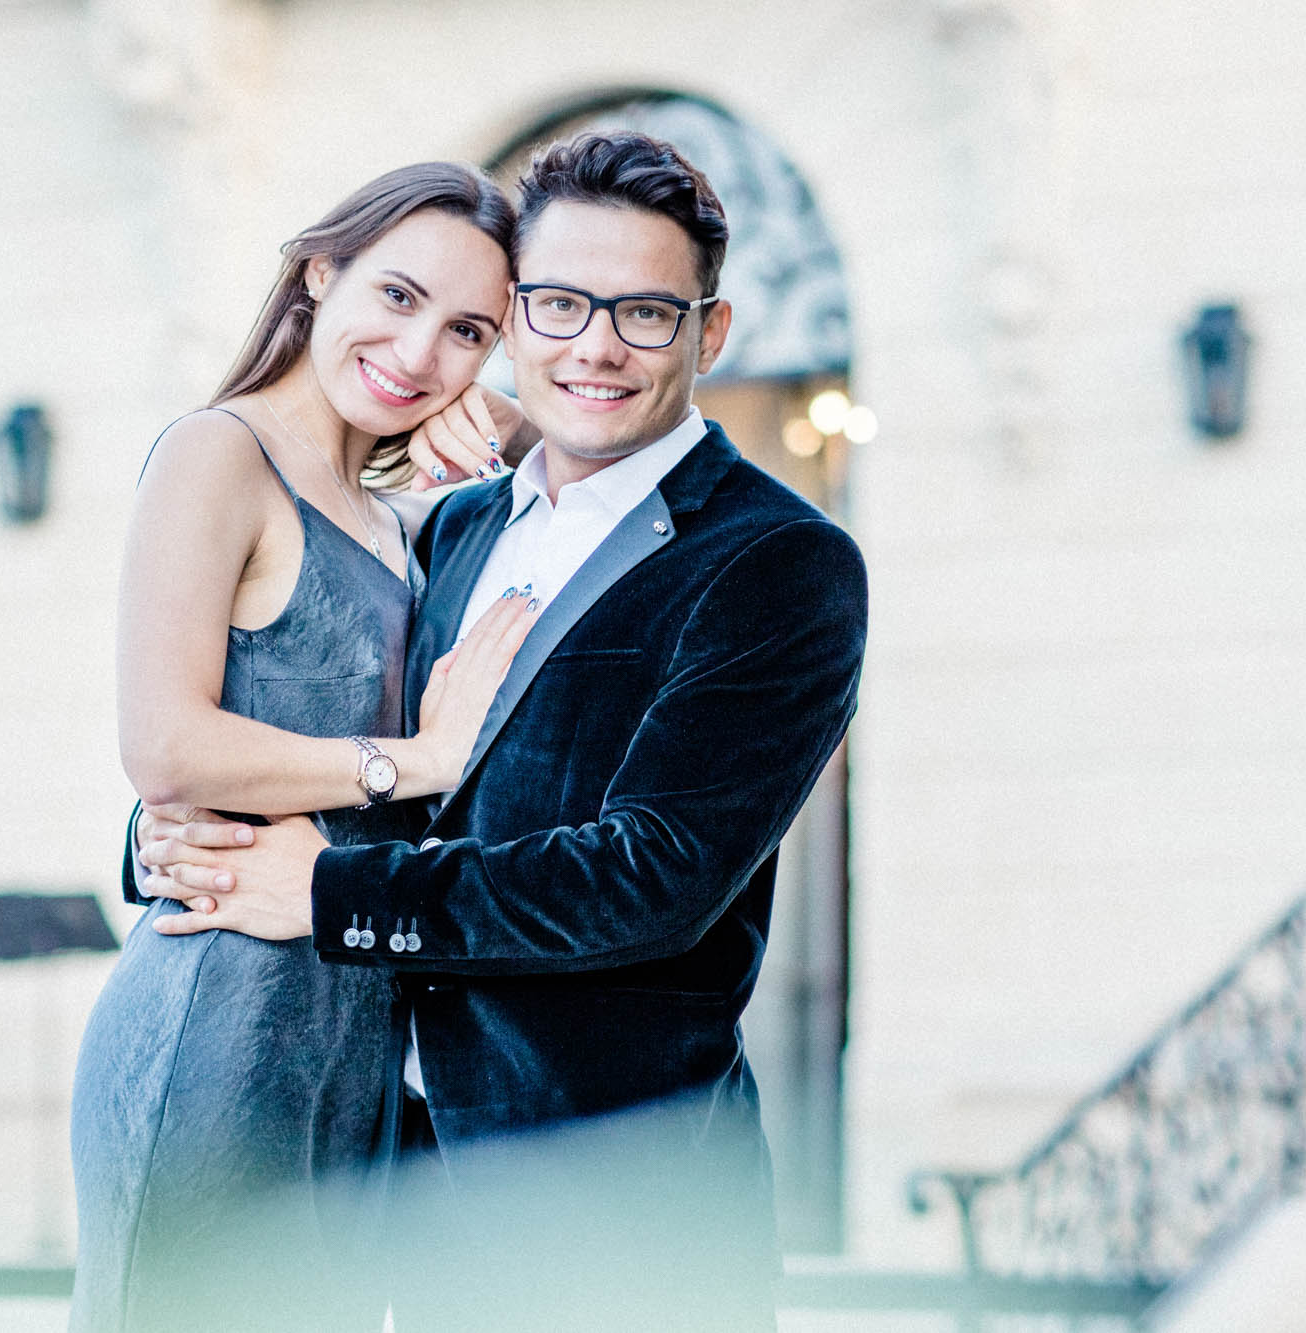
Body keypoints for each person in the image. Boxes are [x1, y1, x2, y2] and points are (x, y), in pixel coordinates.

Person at [137, 131, 869, 1332]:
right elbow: (343, 754)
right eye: (560, 303)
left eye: (643, 313)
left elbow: (651, 879)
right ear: (513, 318)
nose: (594, 345)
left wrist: (332, 894)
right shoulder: (447, 529)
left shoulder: (778, 560)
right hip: (391, 1182)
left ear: (710, 334)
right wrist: (180, 845)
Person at [67, 161, 540, 1333]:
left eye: (466, 331)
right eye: (395, 295)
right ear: (320, 271)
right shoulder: (215, 453)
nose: (419, 350)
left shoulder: (394, 517)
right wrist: (408, 762)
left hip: (354, 1034)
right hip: (222, 1020)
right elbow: (163, 743)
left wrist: (513, 424)